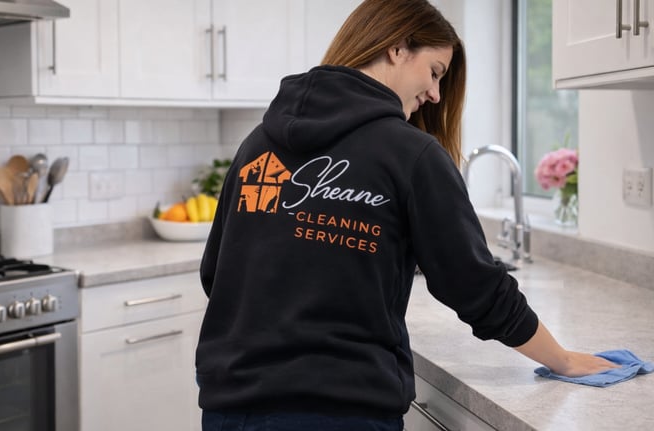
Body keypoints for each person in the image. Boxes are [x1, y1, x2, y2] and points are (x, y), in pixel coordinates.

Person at [195, 0, 617, 430]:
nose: (436, 94)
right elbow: (475, 286)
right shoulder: (411, 154)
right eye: (435, 71)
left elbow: (217, 274)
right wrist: (562, 359)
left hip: (229, 408)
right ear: (397, 48)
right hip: (340, 411)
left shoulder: (258, 144)